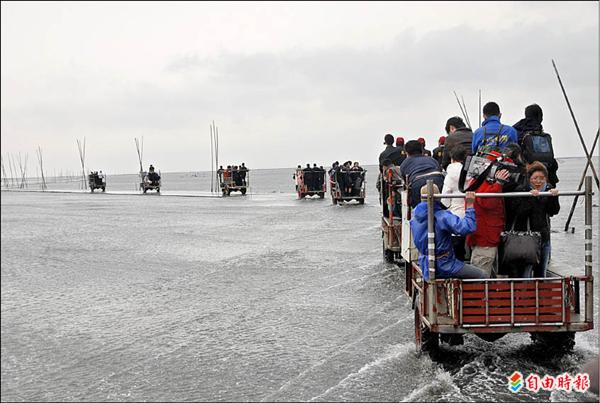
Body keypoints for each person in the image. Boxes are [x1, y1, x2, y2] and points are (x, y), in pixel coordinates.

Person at [410, 184, 486, 280]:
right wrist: (470, 205)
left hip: (425, 263)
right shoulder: (442, 216)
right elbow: (467, 228)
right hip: (445, 265)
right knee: (482, 275)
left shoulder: (414, 218)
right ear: (438, 197)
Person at [502, 162, 559, 278]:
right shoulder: (522, 189)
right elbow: (519, 212)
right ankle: (524, 295)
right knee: (525, 273)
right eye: (535, 178)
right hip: (527, 238)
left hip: (543, 236)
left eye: (542, 178)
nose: (538, 181)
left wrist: (553, 197)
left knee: (541, 273)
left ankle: (540, 293)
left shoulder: (548, 189)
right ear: (529, 179)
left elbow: (553, 211)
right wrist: (530, 197)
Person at [467, 168, 511, 278]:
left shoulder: (475, 182)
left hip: (485, 238)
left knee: (487, 275)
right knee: (481, 276)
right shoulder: (482, 184)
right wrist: (499, 183)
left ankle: (486, 294)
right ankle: (481, 295)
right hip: (485, 239)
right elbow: (487, 202)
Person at [513, 104, 559, 186]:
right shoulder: (543, 134)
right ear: (540, 117)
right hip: (546, 173)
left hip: (526, 171)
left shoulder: (517, 130)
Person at [441, 146, 468, 261]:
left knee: (455, 248)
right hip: (468, 212)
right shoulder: (468, 172)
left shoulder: (449, 175)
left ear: (452, 158)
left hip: (454, 214)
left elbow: (445, 199)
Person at [399, 140, 444, 208]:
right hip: (438, 179)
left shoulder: (404, 164)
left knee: (419, 208)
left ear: (406, 152)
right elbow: (439, 169)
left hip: (418, 182)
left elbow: (406, 182)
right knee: (438, 204)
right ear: (421, 149)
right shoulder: (432, 159)